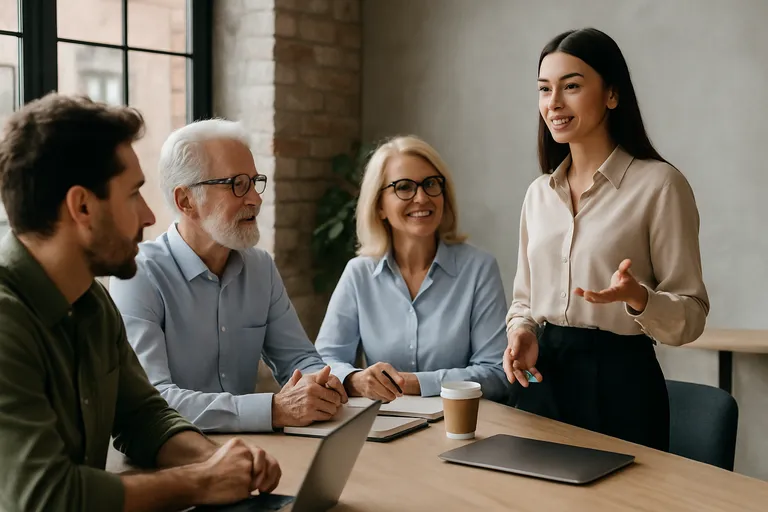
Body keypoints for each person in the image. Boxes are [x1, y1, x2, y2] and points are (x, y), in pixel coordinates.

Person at [0, 93, 281, 511]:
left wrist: (221, 461)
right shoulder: (7, 321)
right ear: (82, 206)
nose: (150, 216)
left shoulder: (92, 301)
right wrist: (199, 482)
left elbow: (144, 417)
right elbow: (46, 496)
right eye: (133, 194)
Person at [504, 28, 710, 451]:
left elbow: (691, 314)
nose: (554, 103)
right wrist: (522, 331)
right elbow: (524, 298)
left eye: (572, 86)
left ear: (612, 95)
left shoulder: (660, 185)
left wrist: (640, 299)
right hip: (543, 379)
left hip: (621, 386)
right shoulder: (538, 194)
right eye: (545, 89)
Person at [109, 119, 347, 434]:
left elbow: (300, 359)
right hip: (172, 460)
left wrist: (321, 382)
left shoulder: (261, 268)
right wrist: (273, 409)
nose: (256, 199)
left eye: (254, 181)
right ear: (186, 201)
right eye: (237, 184)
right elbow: (153, 399)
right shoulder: (138, 275)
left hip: (254, 450)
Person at [314, 135, 511, 404]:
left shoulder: (478, 268)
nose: (421, 198)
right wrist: (355, 379)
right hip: (382, 426)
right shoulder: (358, 274)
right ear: (380, 206)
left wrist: (413, 383)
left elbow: (496, 374)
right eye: (403, 187)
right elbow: (324, 361)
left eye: (430, 184)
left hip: (461, 426)